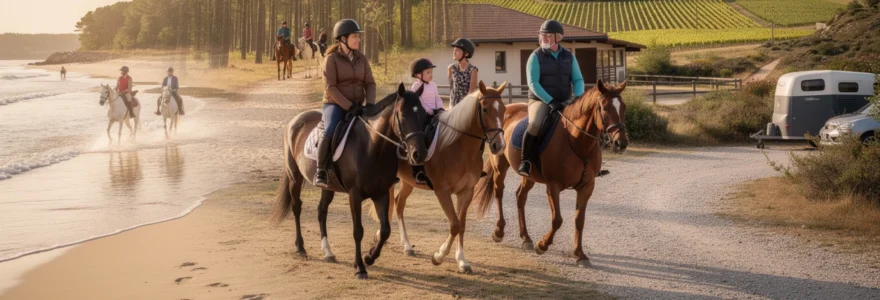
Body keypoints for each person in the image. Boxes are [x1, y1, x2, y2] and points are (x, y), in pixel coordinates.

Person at [518, 20, 585, 176]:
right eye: (542, 35)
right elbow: (533, 83)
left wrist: (578, 98)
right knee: (535, 124)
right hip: (540, 100)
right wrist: (550, 101)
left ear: (559, 37)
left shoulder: (569, 56)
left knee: (584, 123)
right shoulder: (535, 56)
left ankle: (589, 163)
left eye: (548, 36)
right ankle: (526, 161)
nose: (544, 39)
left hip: (565, 101)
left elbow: (578, 80)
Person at [315, 19, 376, 187]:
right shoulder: (331, 60)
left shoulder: (362, 58)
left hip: (359, 106)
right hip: (334, 104)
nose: (358, 40)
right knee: (330, 130)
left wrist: (370, 104)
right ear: (343, 39)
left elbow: (370, 83)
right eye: (354, 36)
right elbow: (330, 88)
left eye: (358, 37)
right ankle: (320, 170)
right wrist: (349, 106)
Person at [409, 58, 443, 185]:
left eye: (431, 72)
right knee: (421, 138)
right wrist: (429, 110)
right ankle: (418, 170)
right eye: (428, 72)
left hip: (436, 114)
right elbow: (418, 103)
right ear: (418, 75)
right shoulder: (416, 86)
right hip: (422, 116)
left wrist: (441, 109)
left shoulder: (433, 85)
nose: (431, 75)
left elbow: (438, 98)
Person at [447, 38, 478, 108]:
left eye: (457, 50)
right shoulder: (451, 68)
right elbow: (451, 88)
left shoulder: (473, 70)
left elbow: (471, 91)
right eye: (454, 50)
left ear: (466, 54)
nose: (454, 52)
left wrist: (463, 105)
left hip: (466, 104)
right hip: (453, 104)